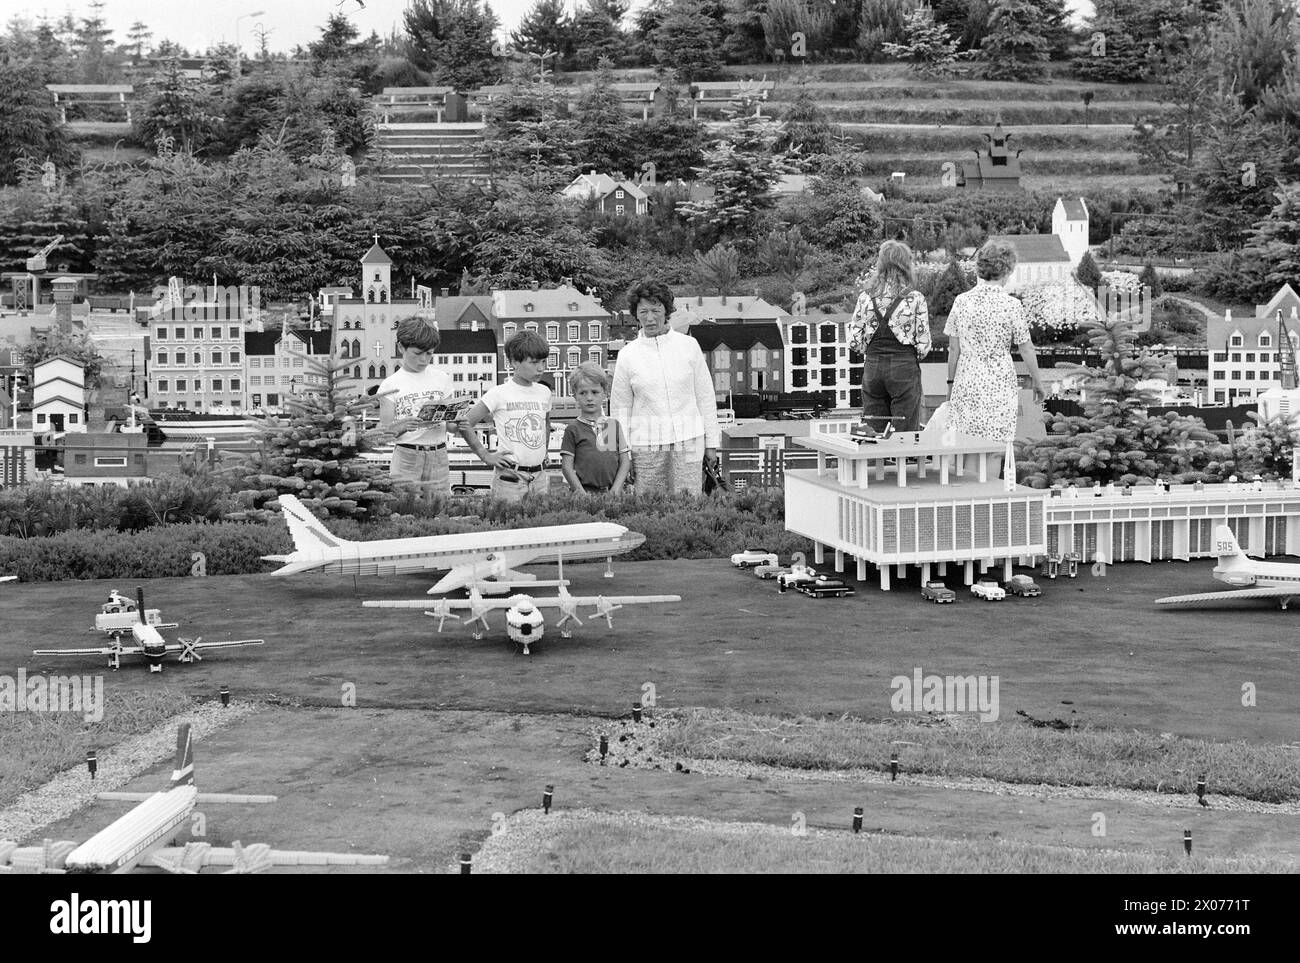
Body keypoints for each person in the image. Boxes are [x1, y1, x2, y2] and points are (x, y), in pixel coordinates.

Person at [609, 279, 721, 496]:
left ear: (667, 310)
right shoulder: (627, 355)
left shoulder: (689, 346)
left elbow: (705, 397)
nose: (650, 318)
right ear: (636, 314)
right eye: (643, 312)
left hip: (690, 441)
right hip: (645, 445)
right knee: (650, 505)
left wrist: (711, 443)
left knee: (689, 503)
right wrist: (623, 454)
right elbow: (620, 410)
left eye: (655, 310)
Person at [944, 239, 1046, 475]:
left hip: (966, 381)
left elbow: (953, 350)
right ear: (1007, 270)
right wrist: (1038, 382)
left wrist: (951, 385)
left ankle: (962, 503)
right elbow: (1026, 348)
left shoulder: (962, 301)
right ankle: (985, 502)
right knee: (992, 448)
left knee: (964, 445)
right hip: (998, 384)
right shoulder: (1011, 305)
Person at [459, 331, 553, 503]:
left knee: (541, 525)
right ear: (514, 362)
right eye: (534, 363)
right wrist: (485, 455)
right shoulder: (498, 393)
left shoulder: (544, 392)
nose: (541, 368)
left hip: (539, 476)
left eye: (543, 362)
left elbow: (545, 423)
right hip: (510, 477)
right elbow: (465, 423)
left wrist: (544, 451)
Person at [848, 240, 930, 431]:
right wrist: (908, 355)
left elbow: (853, 341)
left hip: (873, 367)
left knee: (873, 429)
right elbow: (924, 346)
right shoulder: (915, 298)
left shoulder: (865, 297)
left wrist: (870, 350)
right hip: (904, 367)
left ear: (880, 264)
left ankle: (878, 460)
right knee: (905, 429)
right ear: (905, 265)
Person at [377, 316, 454, 495]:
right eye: (417, 354)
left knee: (440, 507)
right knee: (404, 507)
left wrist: (460, 420)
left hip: (438, 454)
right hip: (407, 455)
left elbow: (451, 427)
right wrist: (403, 426)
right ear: (401, 348)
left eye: (429, 354)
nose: (424, 360)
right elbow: (383, 433)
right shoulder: (390, 385)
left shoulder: (442, 379)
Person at [561, 362, 631, 495]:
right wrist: (580, 492)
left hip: (612, 492)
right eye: (583, 393)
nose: (589, 398)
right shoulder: (573, 429)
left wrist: (616, 489)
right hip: (585, 493)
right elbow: (567, 467)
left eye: (594, 392)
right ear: (575, 396)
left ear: (605, 393)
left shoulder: (612, 425)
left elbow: (624, 461)